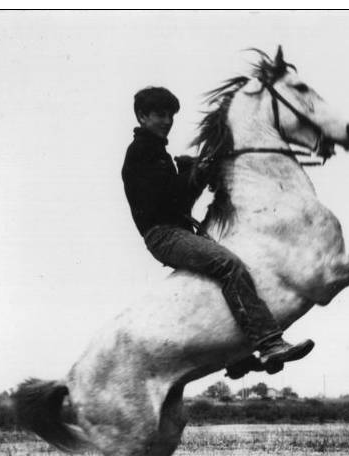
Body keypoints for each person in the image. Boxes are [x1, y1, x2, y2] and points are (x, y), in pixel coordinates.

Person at [121, 86, 314, 378]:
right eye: (160, 114)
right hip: (164, 235)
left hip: (177, 231)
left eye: (171, 115)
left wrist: (195, 171)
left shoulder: (157, 153)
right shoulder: (141, 152)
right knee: (229, 265)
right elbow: (171, 200)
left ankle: (236, 356)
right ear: (142, 116)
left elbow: (177, 196)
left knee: (238, 269)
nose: (167, 120)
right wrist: (196, 173)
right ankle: (269, 343)